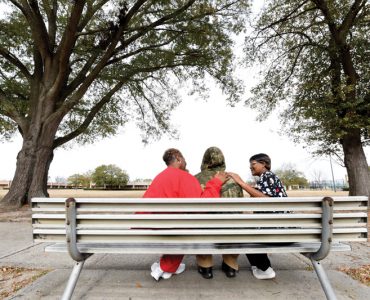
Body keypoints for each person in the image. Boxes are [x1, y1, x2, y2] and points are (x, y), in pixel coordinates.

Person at [144, 148, 229, 281]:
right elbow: (202, 207)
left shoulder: (159, 177)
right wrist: (216, 182)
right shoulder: (185, 177)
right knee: (186, 228)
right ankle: (165, 267)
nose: (186, 163)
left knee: (178, 225)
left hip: (152, 227)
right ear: (178, 158)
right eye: (184, 159)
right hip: (174, 229)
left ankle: (167, 267)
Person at [228, 153, 287, 280]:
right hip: (282, 228)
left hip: (278, 231)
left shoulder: (267, 176)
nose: (250, 167)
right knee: (250, 230)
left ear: (264, 164)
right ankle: (259, 266)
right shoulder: (268, 177)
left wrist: (241, 183)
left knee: (245, 234)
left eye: (253, 164)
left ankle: (265, 269)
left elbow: (267, 200)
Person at [194, 147, 243, 279]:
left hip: (205, 230)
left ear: (205, 161)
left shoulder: (195, 179)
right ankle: (230, 265)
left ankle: (206, 267)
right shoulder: (234, 178)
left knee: (199, 225)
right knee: (233, 223)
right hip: (231, 230)